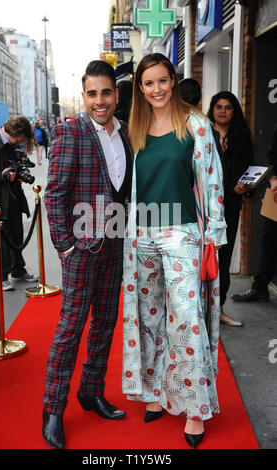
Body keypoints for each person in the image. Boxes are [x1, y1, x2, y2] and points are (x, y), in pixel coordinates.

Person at [122, 53, 227, 449]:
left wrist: (213, 239)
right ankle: (153, 392)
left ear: (173, 80)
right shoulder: (137, 127)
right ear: (140, 88)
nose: (157, 89)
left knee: (186, 318)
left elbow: (212, 183)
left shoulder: (197, 125)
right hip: (142, 236)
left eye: (162, 81)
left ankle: (196, 410)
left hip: (182, 233)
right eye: (148, 84)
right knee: (148, 319)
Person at [42, 60, 133, 449]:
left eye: (106, 92)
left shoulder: (126, 132)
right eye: (92, 93)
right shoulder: (69, 132)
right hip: (80, 249)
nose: (100, 101)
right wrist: (65, 246)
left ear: (116, 94)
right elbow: (55, 195)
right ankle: (52, 408)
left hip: (115, 243)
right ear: (84, 96)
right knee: (71, 328)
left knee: (105, 323)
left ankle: (91, 391)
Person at [207, 91, 254, 326]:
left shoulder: (241, 138)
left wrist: (245, 187)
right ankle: (200, 312)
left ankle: (219, 310)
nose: (223, 111)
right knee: (203, 260)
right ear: (212, 109)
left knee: (223, 261)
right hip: (204, 211)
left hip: (230, 209)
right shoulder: (204, 134)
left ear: (234, 111)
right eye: (219, 106)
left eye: (228, 107)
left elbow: (250, 174)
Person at [0, 116, 37, 291]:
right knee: (3, 240)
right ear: (14, 132)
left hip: (13, 195)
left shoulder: (11, 144)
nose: (21, 142)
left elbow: (14, 163)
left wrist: (19, 171)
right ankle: (2, 276)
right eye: (20, 138)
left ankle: (18, 270)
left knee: (17, 235)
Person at [232, 123, 277, 302]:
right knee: (269, 240)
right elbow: (271, 154)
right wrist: (273, 179)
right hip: (275, 194)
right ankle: (259, 288)